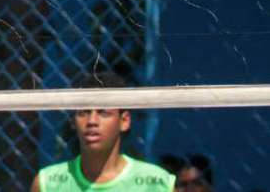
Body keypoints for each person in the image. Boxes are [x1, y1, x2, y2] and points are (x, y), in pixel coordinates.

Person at [32, 72, 175, 192]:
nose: (92, 121)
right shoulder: (47, 183)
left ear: (124, 121)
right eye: (83, 112)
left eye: (104, 112)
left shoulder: (157, 183)